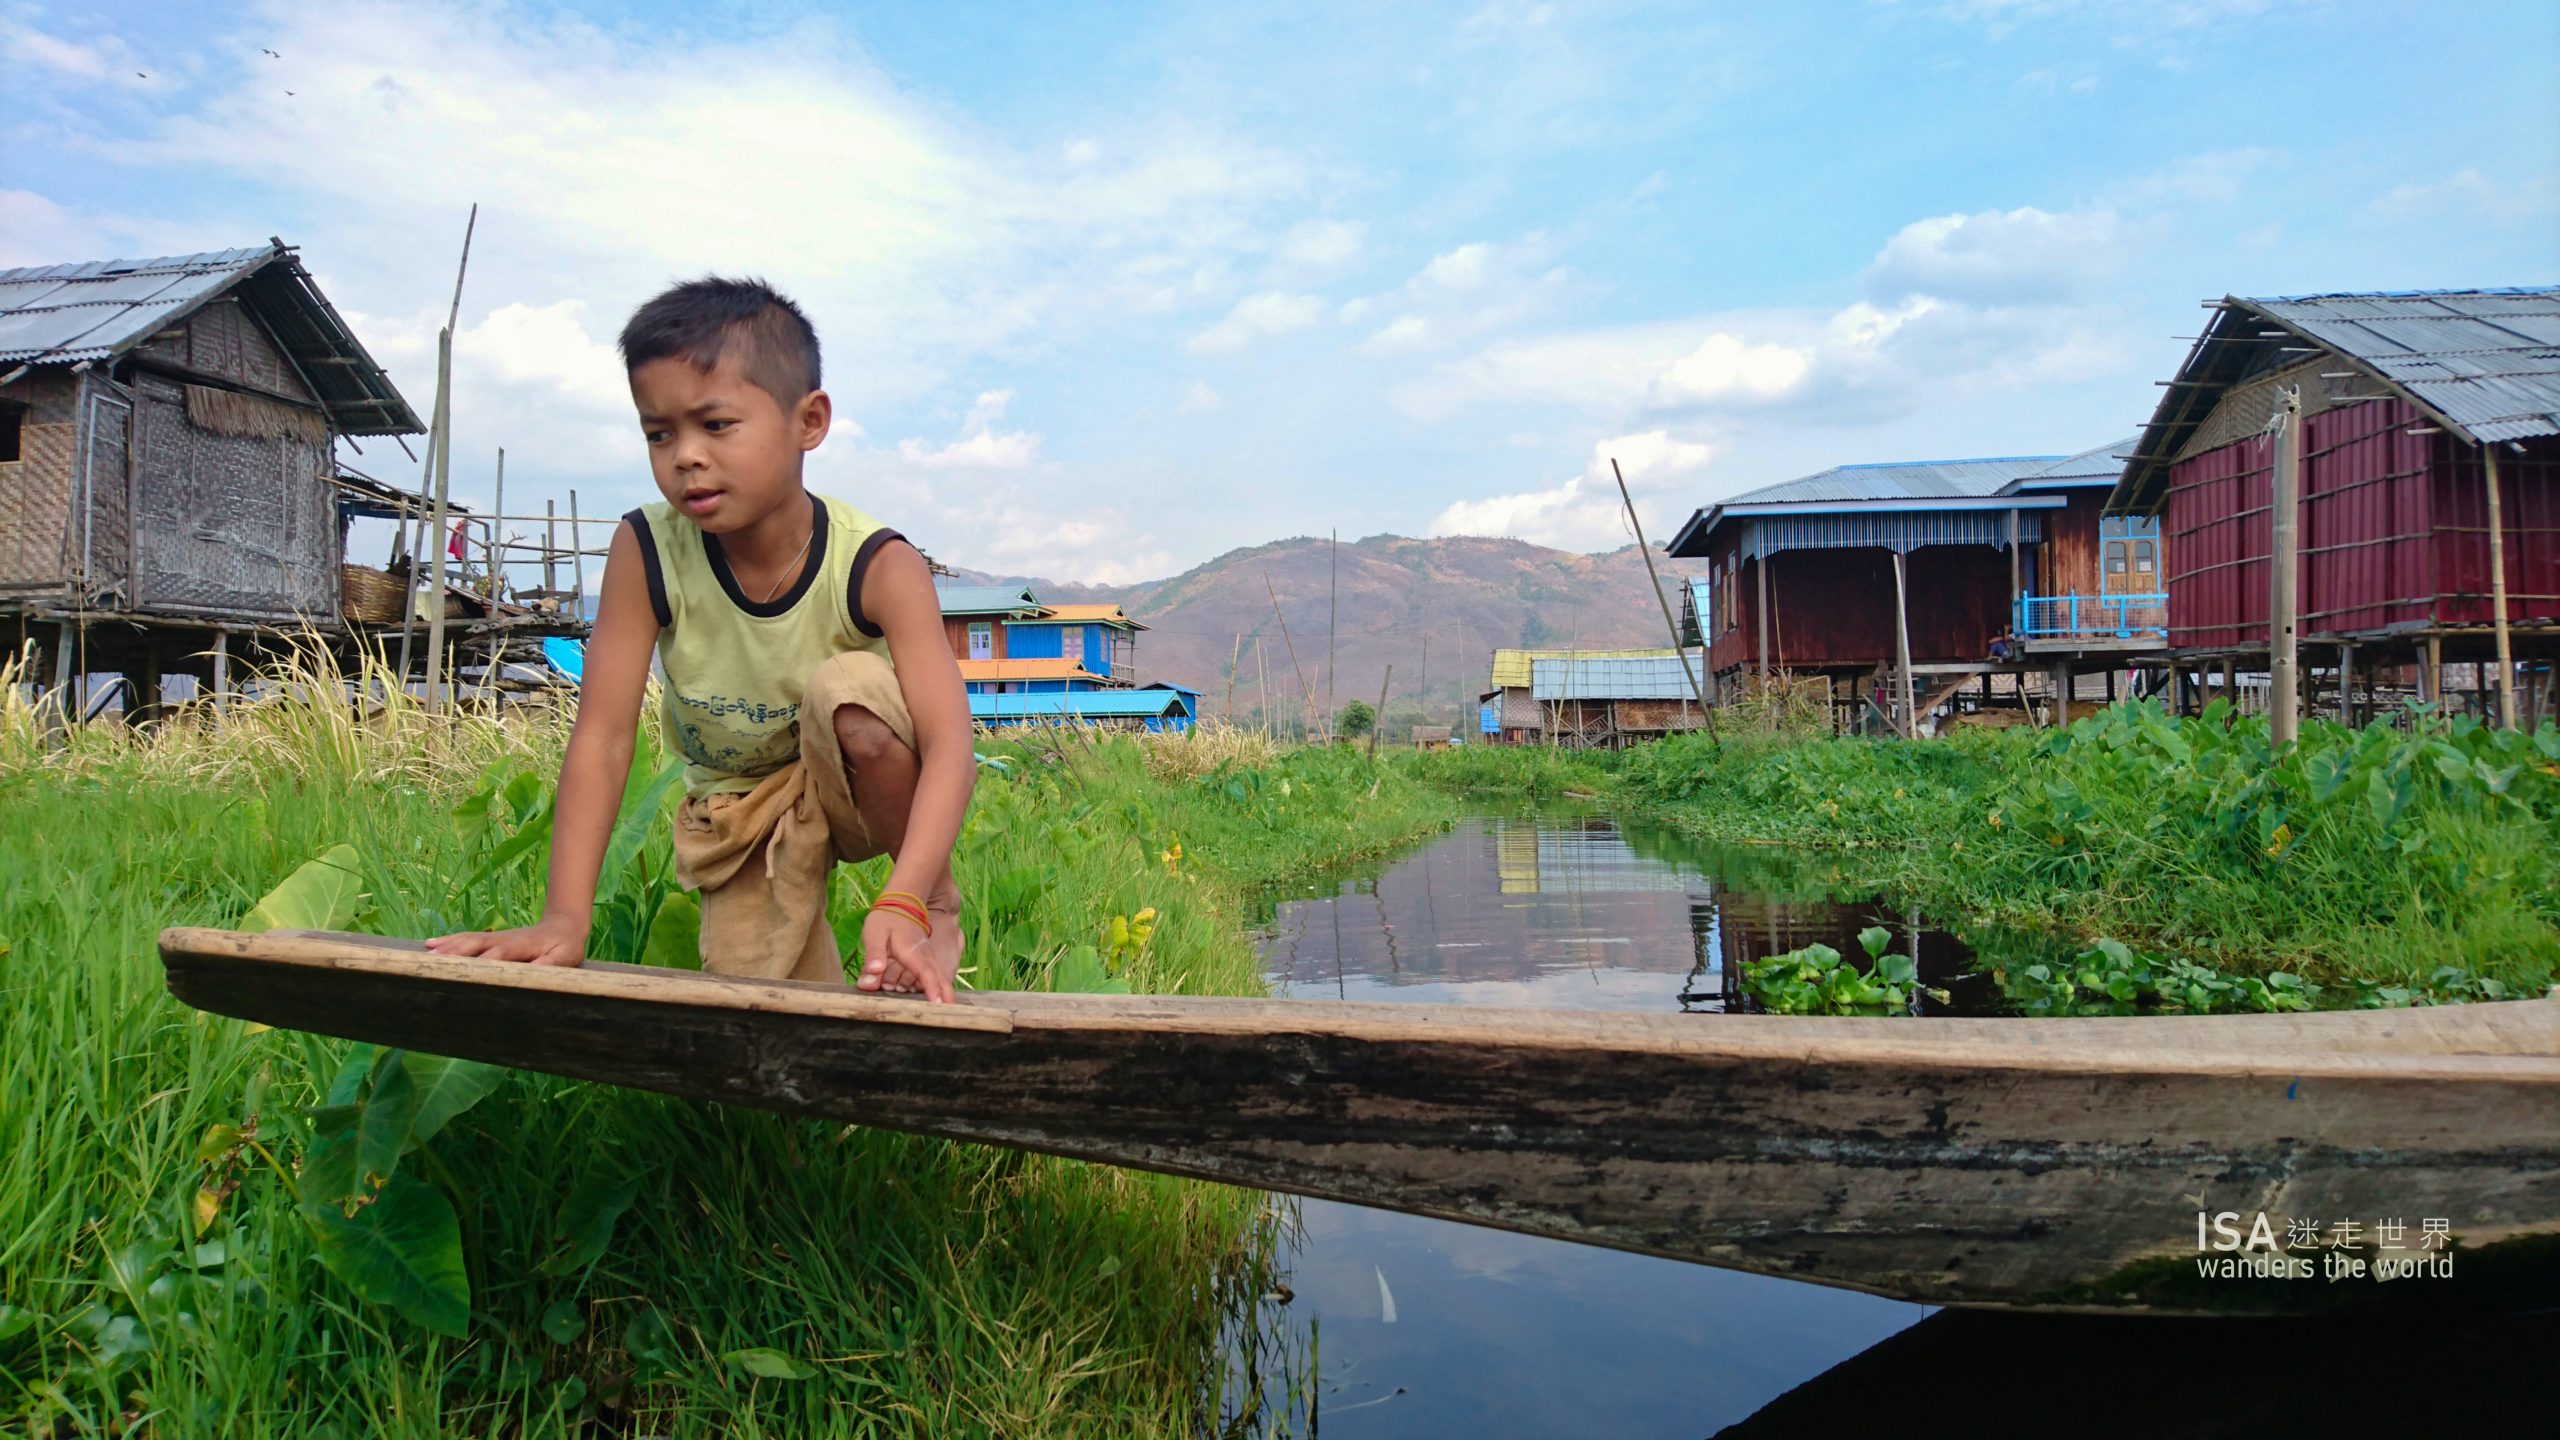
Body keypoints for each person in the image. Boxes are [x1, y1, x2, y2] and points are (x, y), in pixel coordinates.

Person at [425, 277, 971, 1002]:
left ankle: (929, 909)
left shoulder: (877, 563)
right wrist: (565, 917)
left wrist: (905, 897)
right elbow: (604, 736)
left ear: (808, 422)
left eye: (715, 426)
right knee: (771, 1028)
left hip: (857, 777)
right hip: (741, 807)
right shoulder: (646, 549)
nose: (684, 456)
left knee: (850, 694)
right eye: (660, 433)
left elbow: (950, 739)